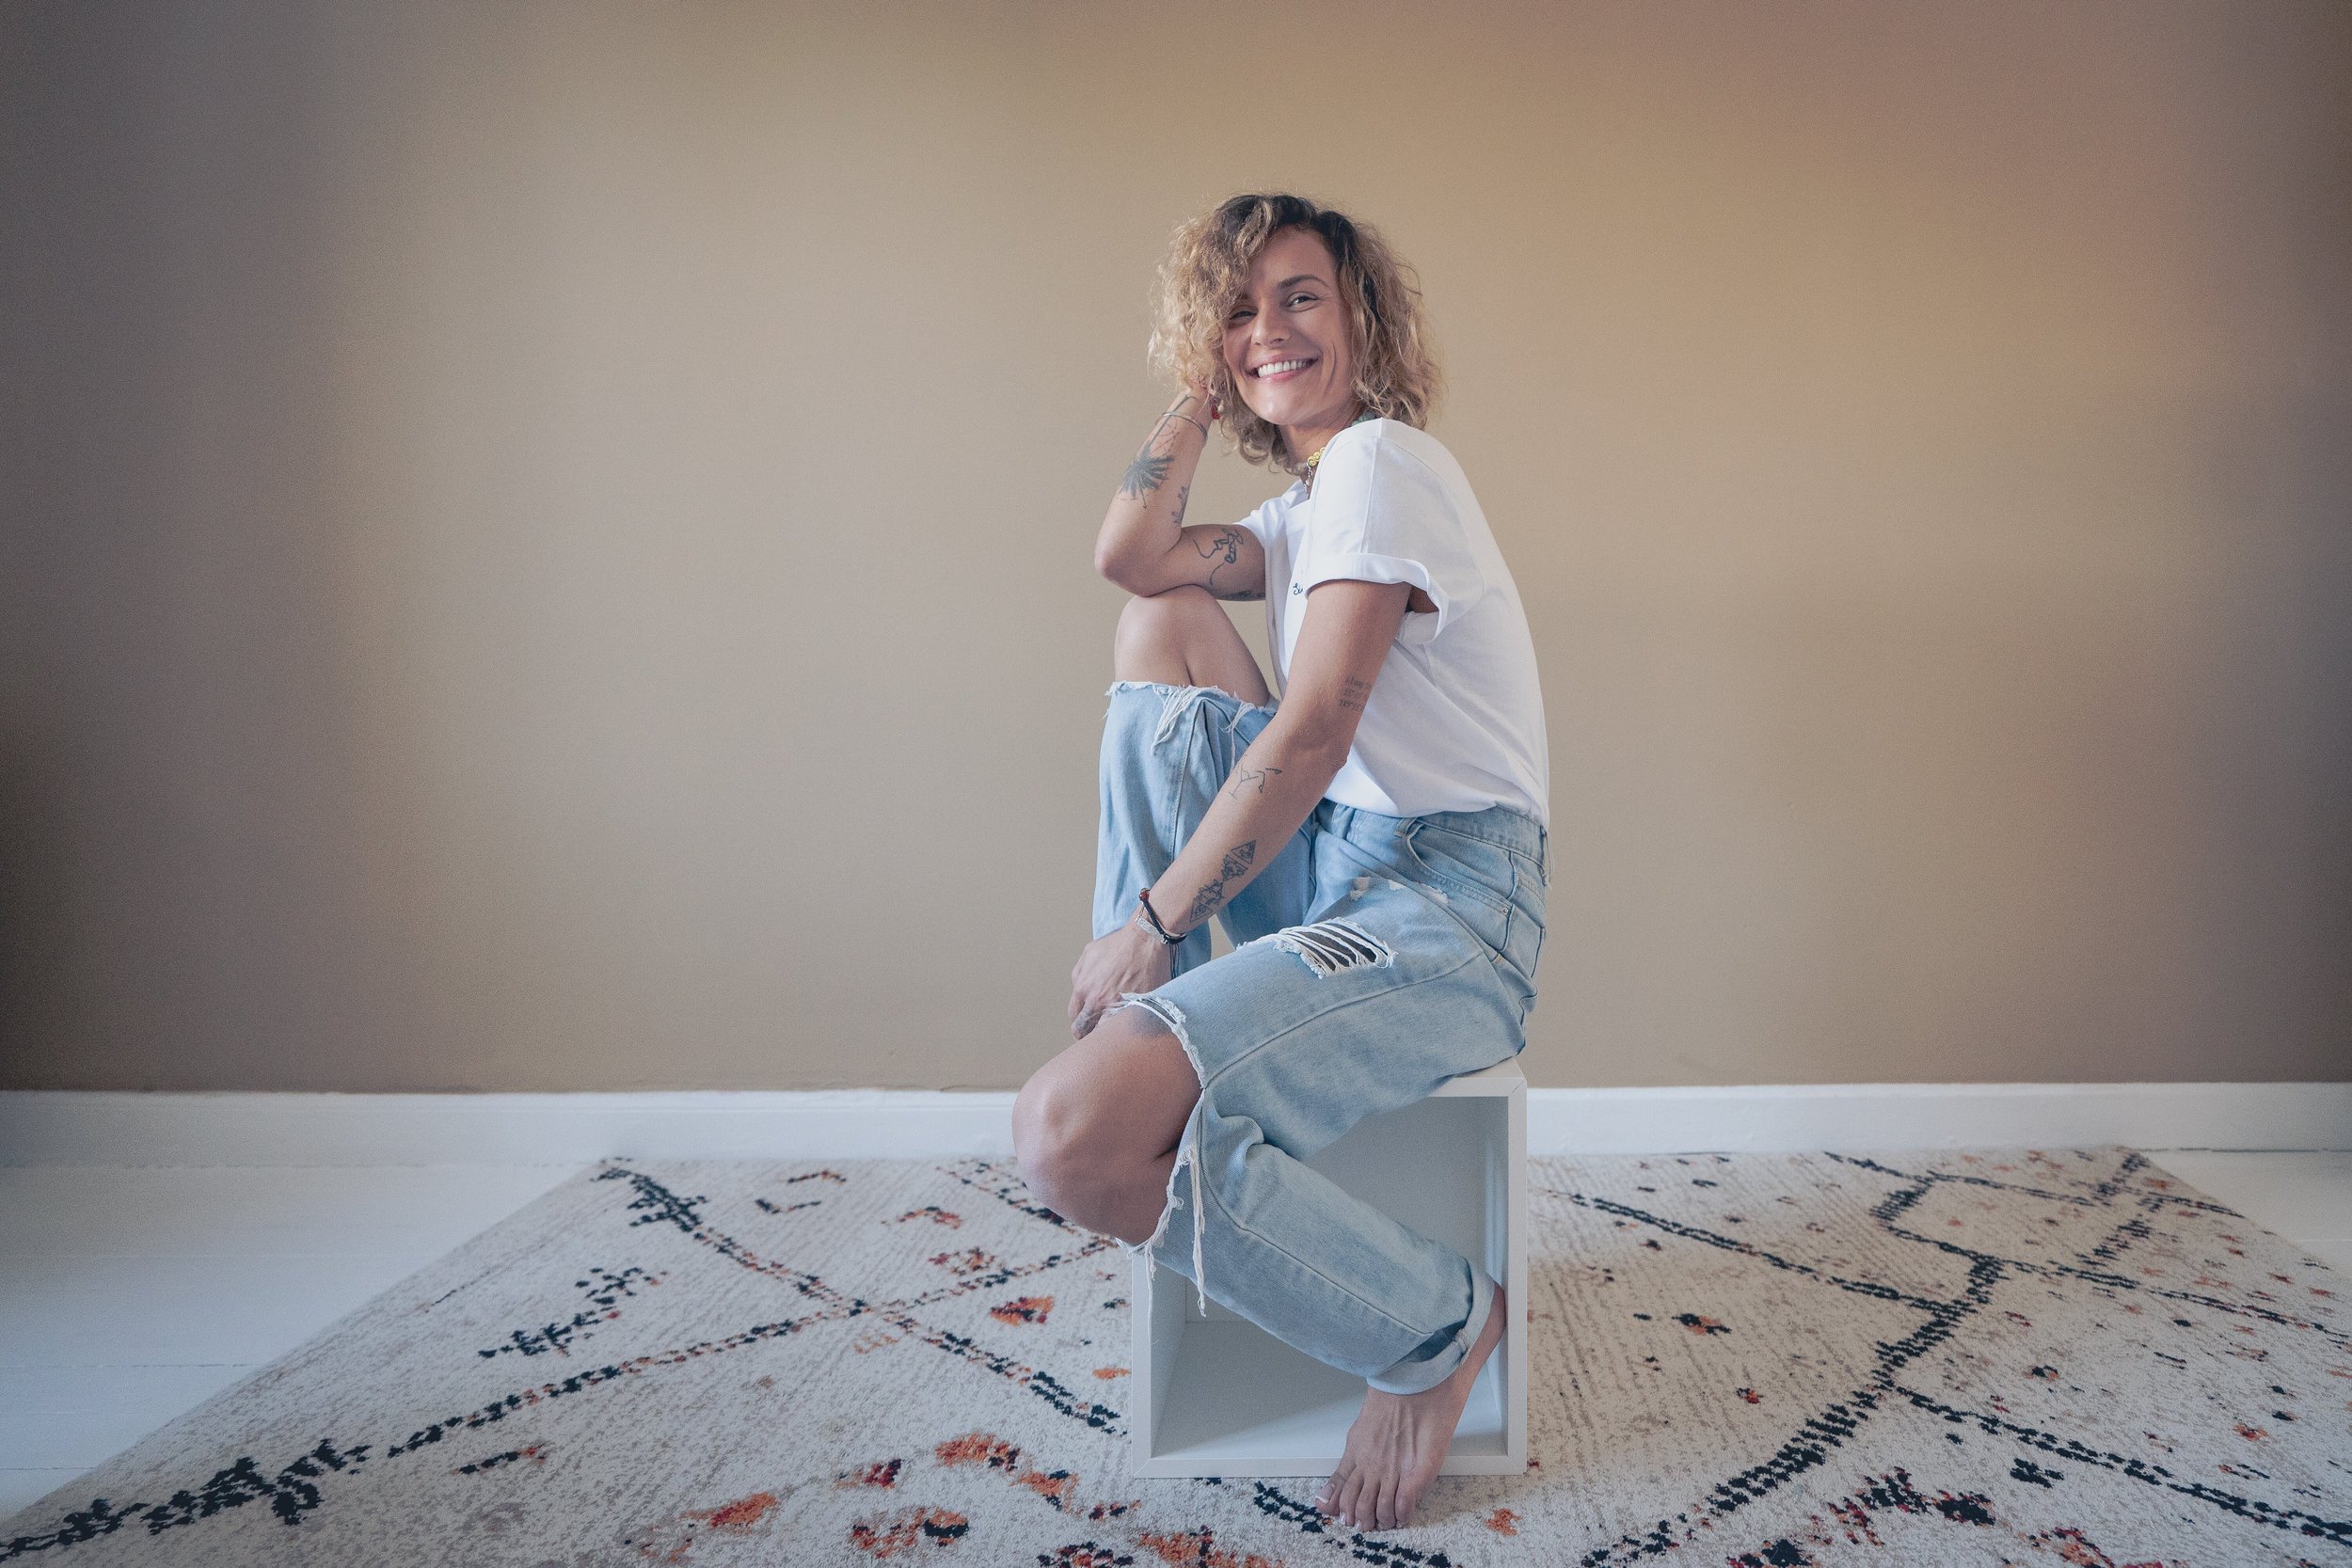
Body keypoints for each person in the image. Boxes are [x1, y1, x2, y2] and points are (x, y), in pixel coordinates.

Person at [1011, 193, 1549, 1532]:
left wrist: (1152, 912)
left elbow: (1317, 729)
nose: (1272, 330)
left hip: (1446, 905)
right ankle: (1156, 1023)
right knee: (1166, 622)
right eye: (1241, 309)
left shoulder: (1382, 464)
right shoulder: (1310, 506)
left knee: (1071, 1136)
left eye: (1301, 296)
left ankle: (1435, 1324)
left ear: (1363, 318)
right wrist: (1201, 392)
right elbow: (1126, 556)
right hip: (1349, 874)